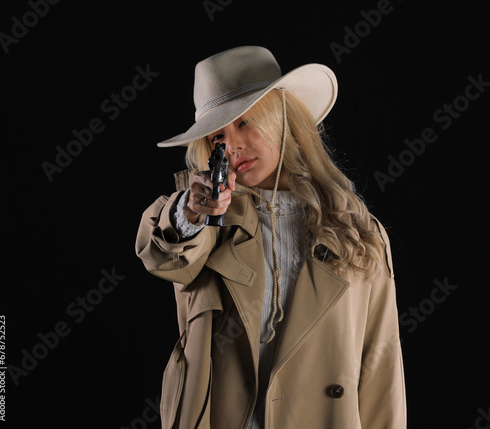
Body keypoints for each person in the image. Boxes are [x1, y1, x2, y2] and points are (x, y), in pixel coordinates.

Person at [135, 46, 406, 429]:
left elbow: (380, 362)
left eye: (245, 122)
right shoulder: (204, 220)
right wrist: (193, 210)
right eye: (216, 138)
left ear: (281, 118)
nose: (232, 145)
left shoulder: (357, 232)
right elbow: (164, 257)